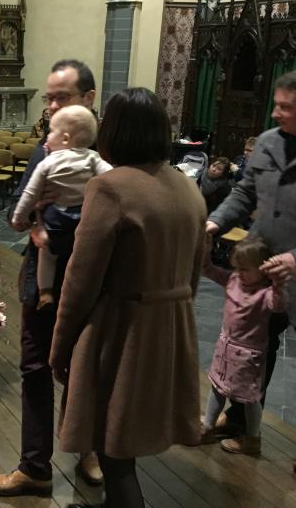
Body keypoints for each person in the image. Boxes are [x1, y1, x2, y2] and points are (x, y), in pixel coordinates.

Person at [48, 87, 204, 508]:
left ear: (113, 131)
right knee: (126, 444)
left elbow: (81, 281)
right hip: (171, 329)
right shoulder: (188, 189)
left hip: (122, 332)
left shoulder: (110, 188)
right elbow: (194, 272)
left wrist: (60, 347)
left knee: (114, 454)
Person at [0, 59, 104, 497]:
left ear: (88, 99)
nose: (51, 107)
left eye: (61, 98)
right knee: (35, 369)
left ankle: (88, 449)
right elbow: (17, 207)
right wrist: (32, 221)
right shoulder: (45, 147)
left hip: (88, 281)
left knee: (83, 369)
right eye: (49, 97)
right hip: (41, 277)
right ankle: (35, 467)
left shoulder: (99, 153)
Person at [206, 66, 296, 476]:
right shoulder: (268, 143)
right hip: (260, 272)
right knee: (252, 350)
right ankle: (241, 422)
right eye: (276, 105)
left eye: (286, 108)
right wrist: (213, 222)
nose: (275, 114)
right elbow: (244, 194)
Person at [10, 106, 112, 310]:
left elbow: (29, 195)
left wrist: (18, 217)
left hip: (56, 217)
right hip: (82, 220)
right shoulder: (93, 158)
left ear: (65, 138)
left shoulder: (49, 161)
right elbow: (112, 178)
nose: (47, 138)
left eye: (51, 132)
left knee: (46, 251)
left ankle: (45, 291)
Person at [201, 236, 285, 456]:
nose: (239, 273)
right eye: (236, 268)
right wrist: (205, 252)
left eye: (246, 269)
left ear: (263, 269)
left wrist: (278, 282)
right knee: (217, 387)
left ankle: (252, 438)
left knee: (250, 398)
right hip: (226, 347)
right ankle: (207, 427)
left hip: (249, 354)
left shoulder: (265, 293)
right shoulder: (233, 280)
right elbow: (208, 270)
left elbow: (279, 305)